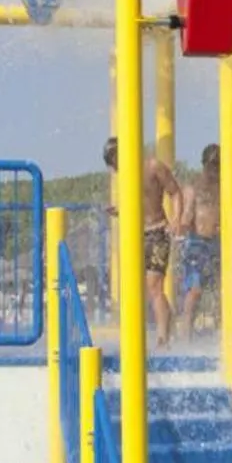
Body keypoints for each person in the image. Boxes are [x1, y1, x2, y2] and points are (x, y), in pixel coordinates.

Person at [104, 137, 184, 349]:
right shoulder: (126, 176)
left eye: (116, 161)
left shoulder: (153, 166)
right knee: (137, 288)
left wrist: (176, 220)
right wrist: (119, 211)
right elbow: (140, 203)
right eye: (113, 165)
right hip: (136, 235)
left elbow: (175, 192)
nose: (116, 168)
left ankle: (162, 339)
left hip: (158, 232)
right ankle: (160, 327)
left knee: (154, 286)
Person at [177, 144, 224, 337]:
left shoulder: (223, 187)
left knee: (222, 291)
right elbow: (187, 213)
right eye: (211, 165)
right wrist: (183, 225)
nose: (214, 170)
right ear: (204, 164)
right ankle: (185, 335)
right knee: (195, 292)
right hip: (197, 242)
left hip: (217, 242)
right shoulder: (193, 187)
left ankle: (222, 334)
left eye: (218, 165)